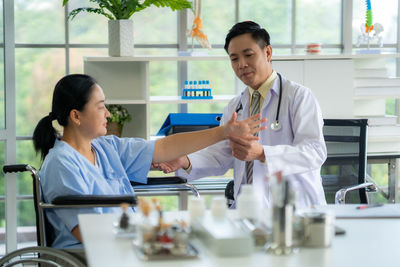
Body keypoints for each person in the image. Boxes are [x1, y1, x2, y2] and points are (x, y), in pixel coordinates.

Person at [32, 74, 265, 249]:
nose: (108, 114)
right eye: (101, 107)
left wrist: (224, 132)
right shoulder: (61, 165)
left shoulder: (106, 148)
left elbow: (164, 147)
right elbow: (88, 234)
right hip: (94, 252)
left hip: (123, 240)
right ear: (76, 116)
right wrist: (149, 236)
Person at [155, 21, 327, 209]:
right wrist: (185, 160)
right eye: (234, 59)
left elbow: (315, 151)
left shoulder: (298, 97)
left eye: (248, 55)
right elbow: (222, 154)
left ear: (268, 53)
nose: (241, 65)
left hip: (295, 208)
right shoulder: (235, 106)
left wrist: (262, 154)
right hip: (248, 209)